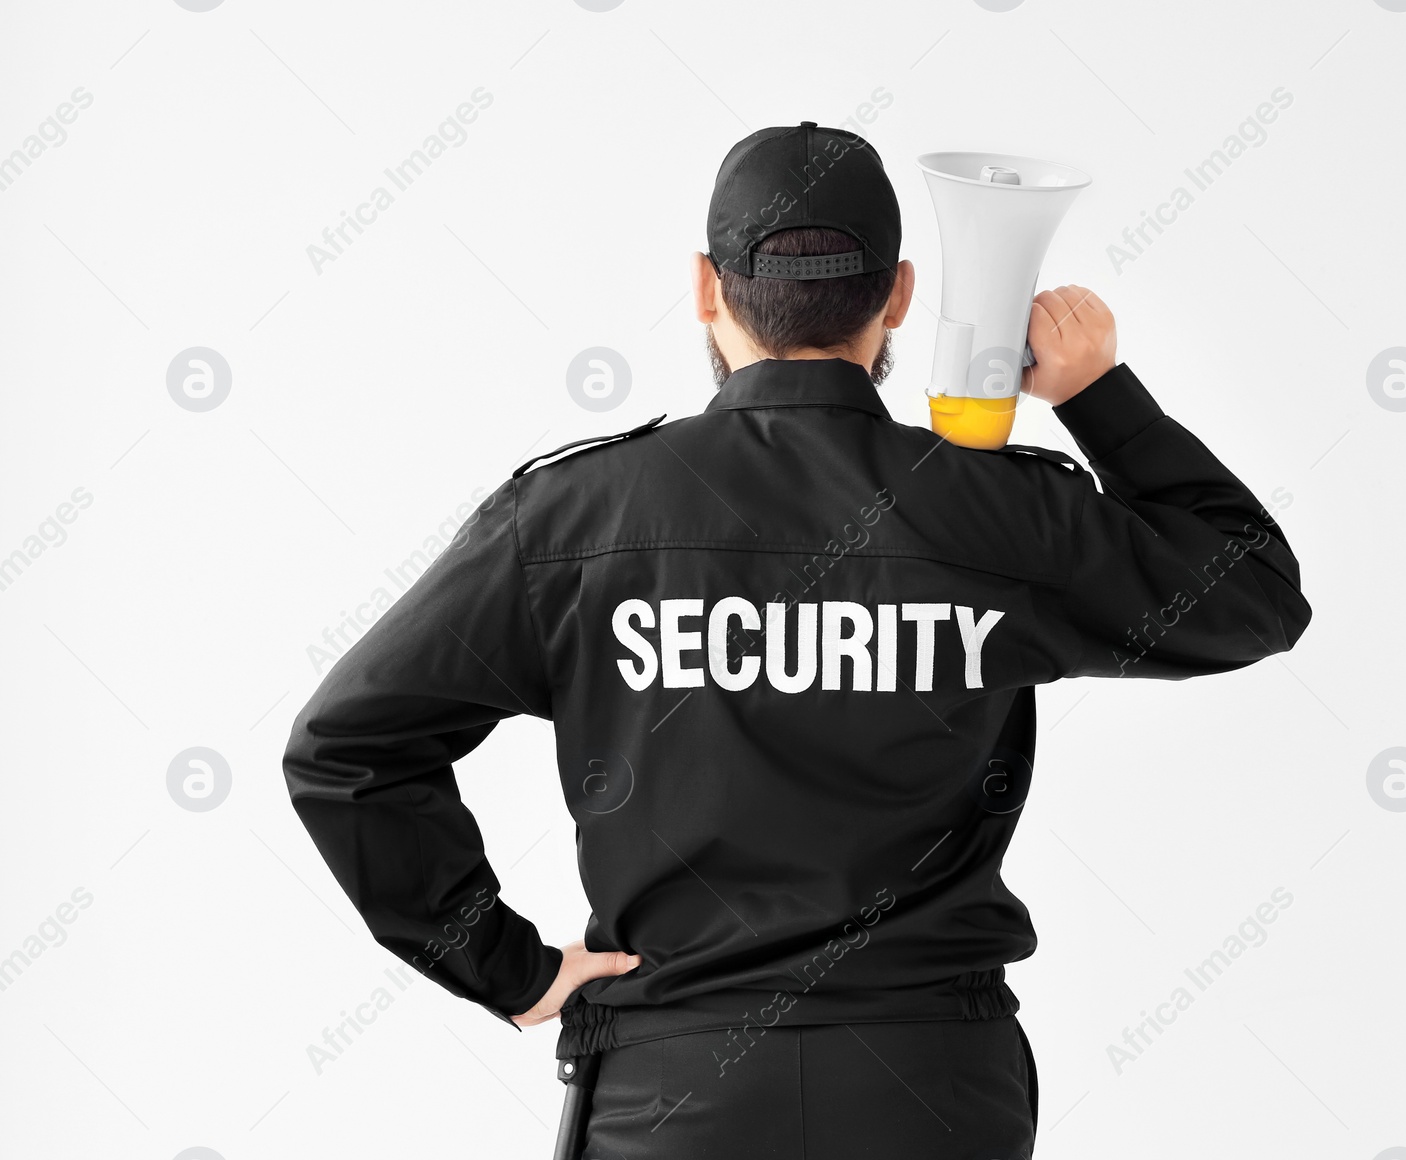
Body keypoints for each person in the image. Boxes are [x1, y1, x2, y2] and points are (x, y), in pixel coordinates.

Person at [283, 121, 1312, 1159]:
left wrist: (504, 965)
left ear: (704, 287)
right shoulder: (996, 513)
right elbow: (1254, 594)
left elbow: (348, 751)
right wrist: (1096, 393)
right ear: (898, 294)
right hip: (933, 1090)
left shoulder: (574, 517)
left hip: (673, 1095)